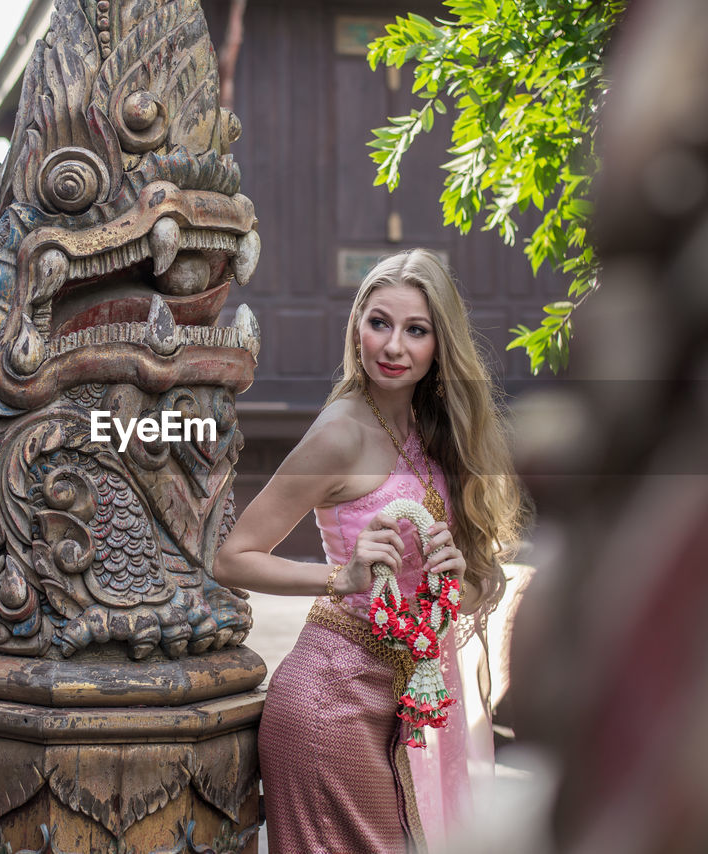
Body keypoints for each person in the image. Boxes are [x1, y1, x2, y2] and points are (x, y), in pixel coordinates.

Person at [214, 248, 524, 853]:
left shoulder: (432, 434)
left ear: (440, 346)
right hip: (331, 703)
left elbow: (471, 593)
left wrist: (459, 580)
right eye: (379, 322)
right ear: (357, 326)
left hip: (409, 700)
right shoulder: (340, 433)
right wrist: (341, 576)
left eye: (416, 330)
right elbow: (233, 557)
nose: (393, 346)